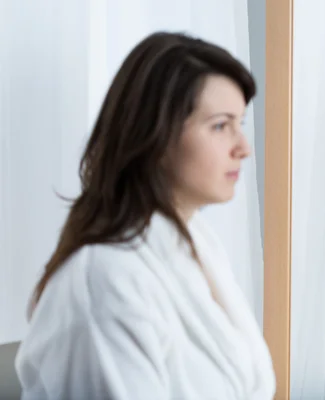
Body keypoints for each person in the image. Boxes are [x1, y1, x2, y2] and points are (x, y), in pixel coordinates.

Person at [15, 32, 275, 400]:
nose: (244, 148)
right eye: (220, 125)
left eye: (241, 124)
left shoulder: (197, 244)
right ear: (156, 133)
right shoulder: (106, 279)